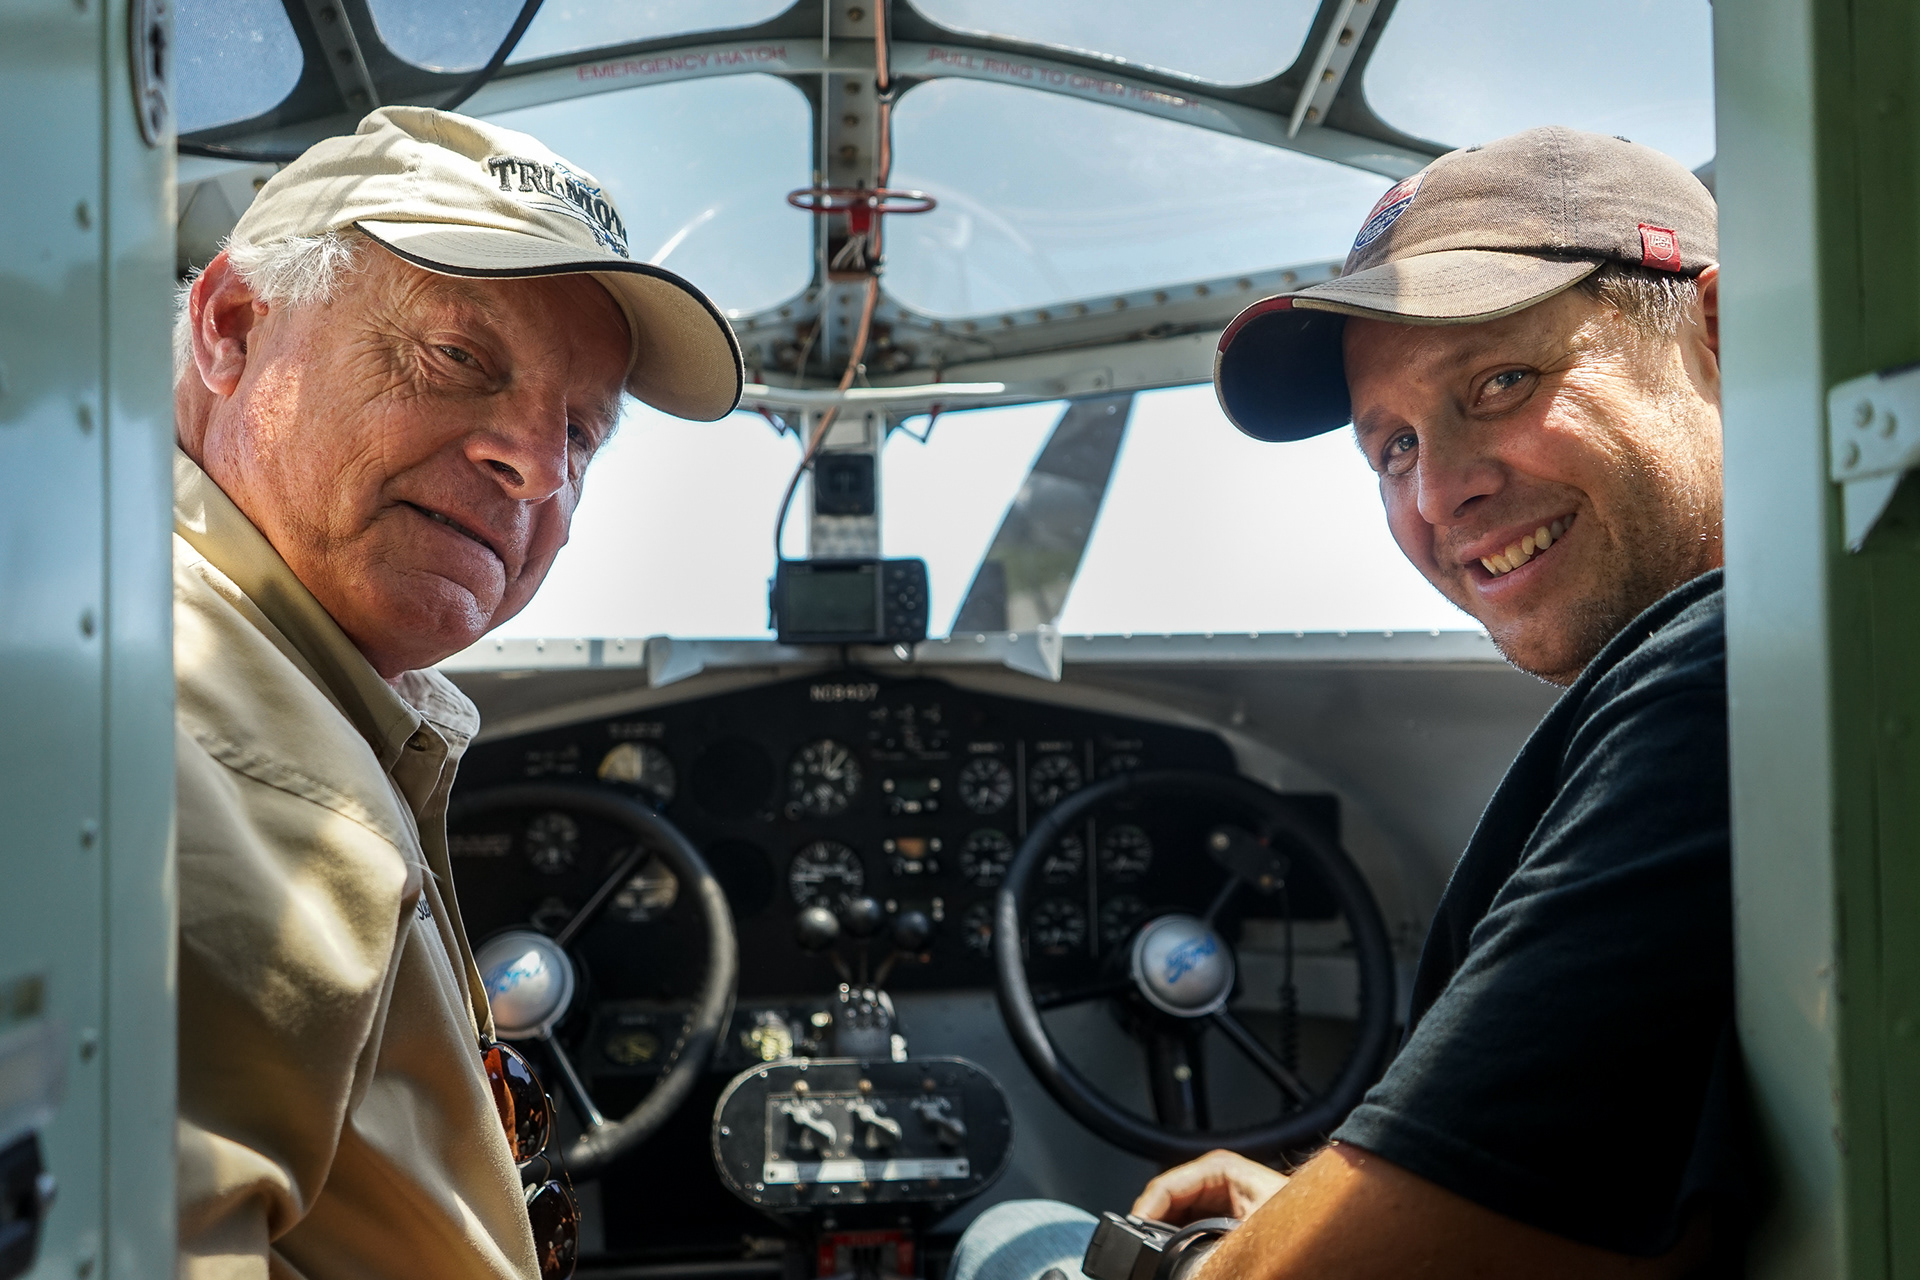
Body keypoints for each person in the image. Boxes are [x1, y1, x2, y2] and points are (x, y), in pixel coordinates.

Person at [951, 127, 1740, 1279]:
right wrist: (1328, 1205)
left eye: (1503, 380)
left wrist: (1206, 1259)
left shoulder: (1705, 680)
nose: (1439, 489)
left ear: (1720, 331)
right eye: (1392, 447)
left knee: (1013, 1235)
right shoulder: (1761, 684)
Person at [170, 105, 740, 1279]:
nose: (536, 461)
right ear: (232, 327)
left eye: (582, 430)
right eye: (458, 357)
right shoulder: (216, 749)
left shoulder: (291, 698)